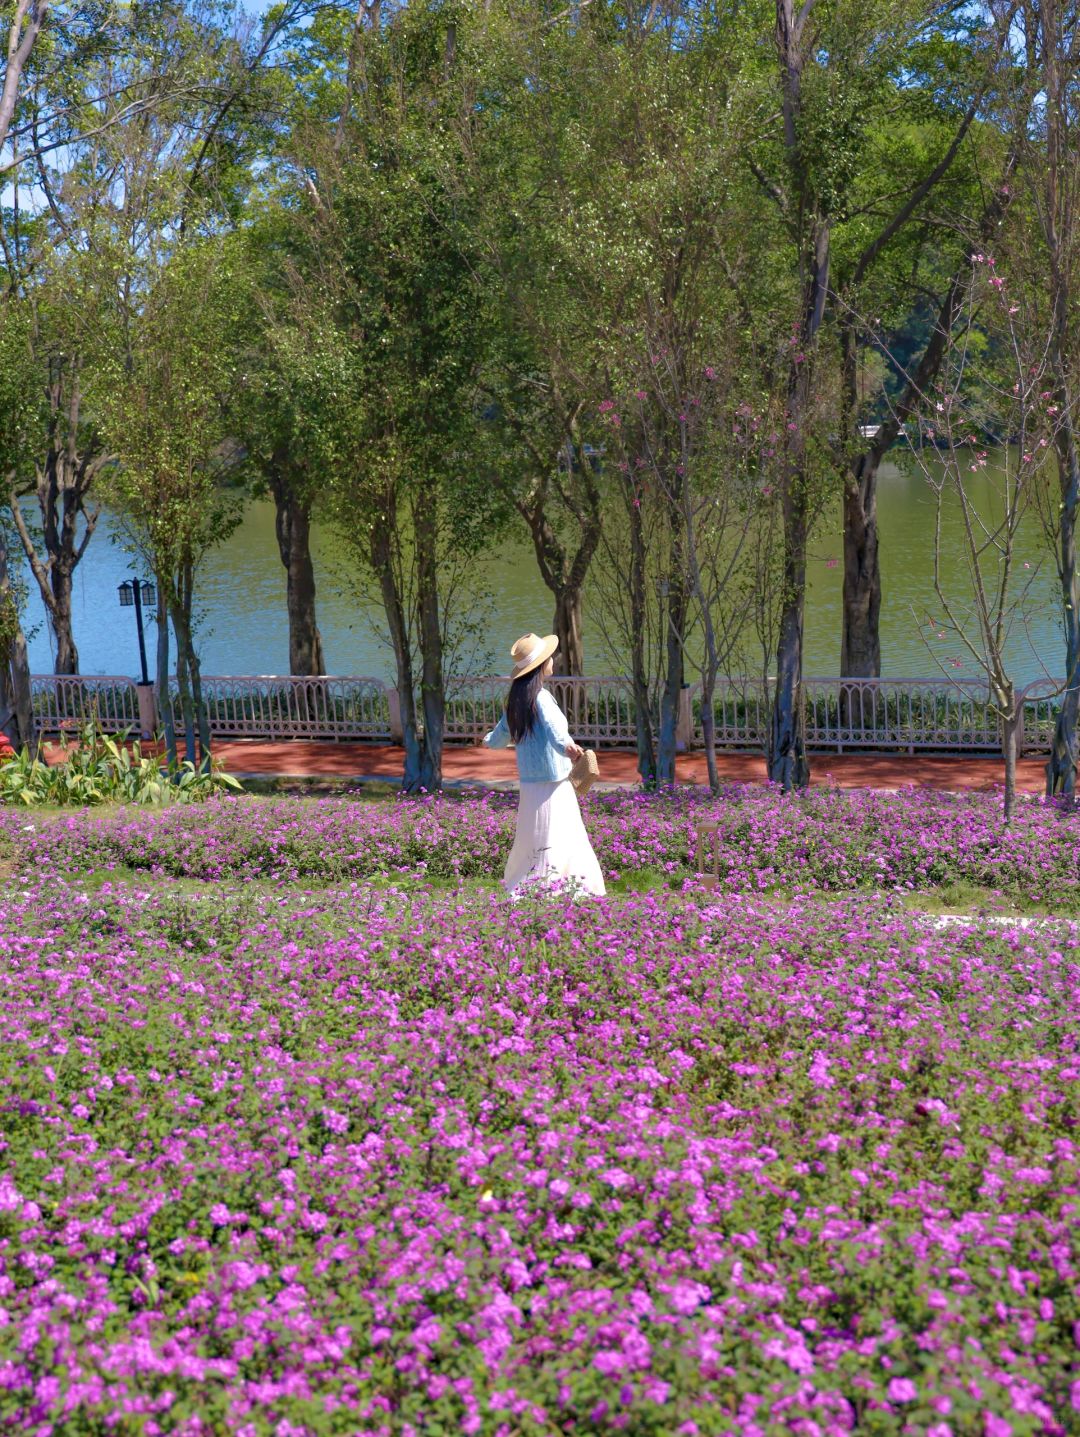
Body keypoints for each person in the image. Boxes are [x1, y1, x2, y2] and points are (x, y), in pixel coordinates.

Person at [483, 632, 606, 898]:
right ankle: (560, 885)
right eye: (549, 657)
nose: (553, 660)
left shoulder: (516, 701)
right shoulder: (541, 698)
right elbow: (555, 730)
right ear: (540, 665)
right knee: (562, 834)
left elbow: (499, 736)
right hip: (554, 782)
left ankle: (530, 882)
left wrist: (487, 741)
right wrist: (567, 747)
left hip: (530, 783)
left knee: (532, 836)